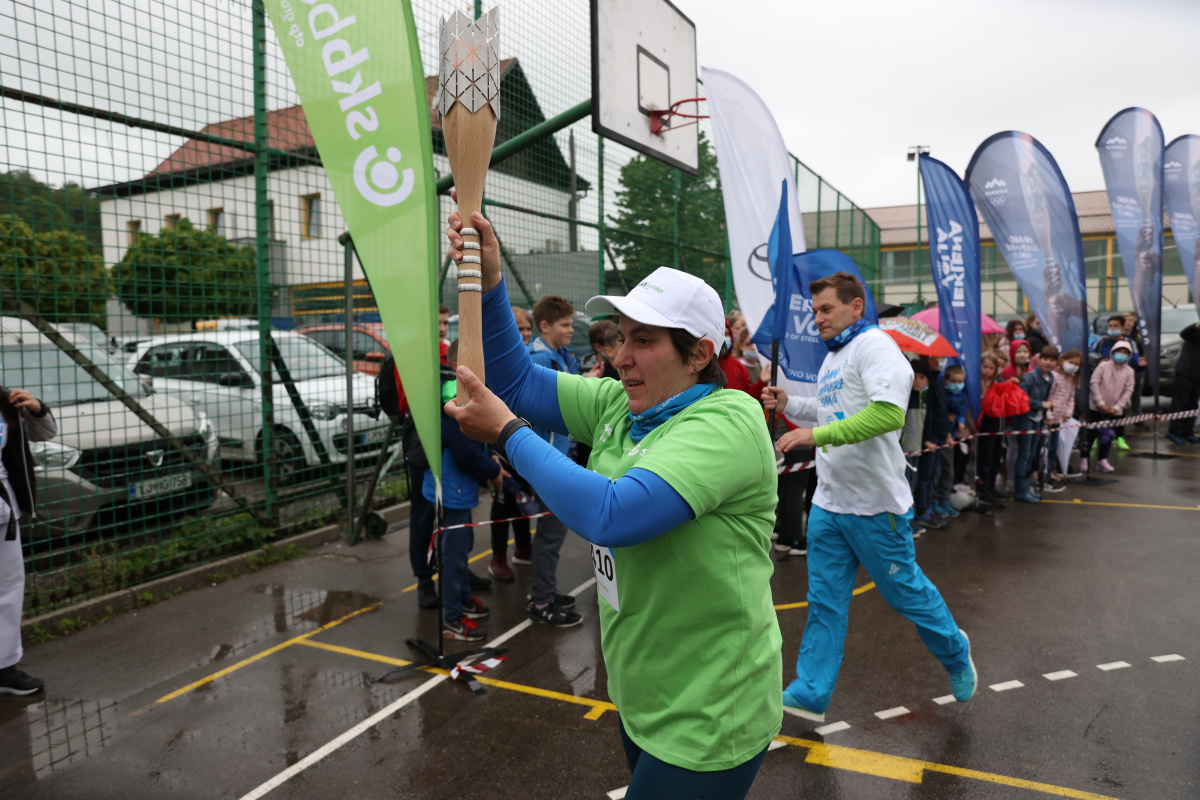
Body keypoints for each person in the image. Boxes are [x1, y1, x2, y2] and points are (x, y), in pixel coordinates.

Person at [445, 209, 781, 798]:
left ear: (698, 354)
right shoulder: (620, 405)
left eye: (643, 340)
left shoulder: (729, 420)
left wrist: (508, 434)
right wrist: (493, 279)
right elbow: (517, 384)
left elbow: (613, 513)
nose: (622, 355)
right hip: (643, 693)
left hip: (709, 708)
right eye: (623, 337)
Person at [762, 271, 976, 722]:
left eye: (826, 309)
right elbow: (832, 410)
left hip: (876, 507)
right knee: (824, 602)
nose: (818, 319)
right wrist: (789, 404)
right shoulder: (834, 356)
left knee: (906, 595)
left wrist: (815, 435)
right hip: (829, 504)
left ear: (856, 305)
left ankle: (956, 651)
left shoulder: (876, 347)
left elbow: (885, 415)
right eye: (815, 311)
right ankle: (811, 691)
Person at [423, 341, 504, 641]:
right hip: (452, 489)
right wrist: (493, 471)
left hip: (459, 488)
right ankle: (452, 619)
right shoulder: (454, 399)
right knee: (454, 556)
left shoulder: (463, 394)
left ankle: (464, 599)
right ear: (461, 368)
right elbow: (464, 449)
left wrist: (491, 457)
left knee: (464, 545)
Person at [525, 294, 585, 627]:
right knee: (550, 535)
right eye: (565, 324)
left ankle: (543, 591)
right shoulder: (539, 360)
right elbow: (549, 406)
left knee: (552, 533)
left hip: (557, 454)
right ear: (545, 326)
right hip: (547, 458)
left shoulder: (559, 356)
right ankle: (542, 601)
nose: (571, 329)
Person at [1, 387, 56, 696]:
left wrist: (37, 409)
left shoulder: (6, 401)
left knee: (8, 586)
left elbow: (46, 433)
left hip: (4, 508)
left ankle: (4, 668)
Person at [488, 307, 539, 582]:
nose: (525, 334)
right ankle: (497, 556)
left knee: (522, 495)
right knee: (503, 501)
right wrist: (491, 452)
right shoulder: (496, 362)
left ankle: (523, 547)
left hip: (524, 438)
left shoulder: (531, 361)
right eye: (519, 329)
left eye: (528, 329)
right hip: (500, 445)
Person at [900, 361, 942, 533]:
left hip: (917, 450)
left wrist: (926, 441)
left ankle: (910, 519)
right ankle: (904, 522)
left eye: (922, 377)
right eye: (914, 376)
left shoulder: (925, 398)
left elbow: (926, 425)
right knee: (904, 485)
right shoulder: (905, 398)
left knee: (913, 483)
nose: (917, 381)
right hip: (904, 451)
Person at [1083, 340, 1135, 473]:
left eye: (1125, 353)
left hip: (1113, 410)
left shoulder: (1129, 371)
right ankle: (1084, 458)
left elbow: (1128, 390)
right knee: (1091, 434)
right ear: (1113, 352)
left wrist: (1117, 407)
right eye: (1119, 351)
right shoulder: (1103, 366)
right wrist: (1099, 403)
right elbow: (1094, 383)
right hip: (1096, 408)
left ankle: (1102, 460)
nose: (1121, 355)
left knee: (1108, 434)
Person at [1015, 345, 1057, 502]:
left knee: (1032, 453)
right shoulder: (1029, 377)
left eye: (1052, 360)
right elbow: (1022, 398)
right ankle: (1020, 491)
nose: (1048, 363)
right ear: (1039, 360)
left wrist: (1047, 410)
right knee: (1024, 453)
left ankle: (1026, 488)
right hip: (1025, 419)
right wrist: (1041, 404)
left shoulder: (1050, 377)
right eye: (1045, 359)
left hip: (1037, 419)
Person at [975, 354, 1008, 506]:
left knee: (995, 457)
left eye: (991, 368)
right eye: (985, 367)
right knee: (985, 458)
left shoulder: (998, 382)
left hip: (999, 425)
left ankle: (991, 486)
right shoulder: (977, 383)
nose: (987, 370)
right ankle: (982, 490)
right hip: (986, 425)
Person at [1047, 349, 1083, 484]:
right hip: (1049, 420)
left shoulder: (1071, 379)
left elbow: (1070, 398)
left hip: (1060, 420)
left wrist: (1068, 413)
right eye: (1071, 362)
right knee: (1046, 448)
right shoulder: (1053, 376)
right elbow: (1047, 397)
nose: (1073, 366)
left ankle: (1051, 471)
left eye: (1076, 364)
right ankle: (1045, 473)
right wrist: (1049, 416)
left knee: (1053, 448)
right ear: (1062, 361)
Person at [1167, 320, 1200, 445]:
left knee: (1193, 404)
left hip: (1198, 375)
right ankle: (1174, 432)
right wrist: (1196, 326)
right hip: (1186, 372)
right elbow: (1184, 334)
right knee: (1180, 403)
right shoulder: (1195, 331)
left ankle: (1188, 432)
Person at [942, 364, 973, 490]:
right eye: (954, 381)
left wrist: (960, 421)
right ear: (946, 381)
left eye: (960, 382)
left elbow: (961, 411)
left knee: (951, 464)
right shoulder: (942, 394)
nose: (957, 385)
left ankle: (949, 490)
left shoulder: (960, 396)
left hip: (953, 434)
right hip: (943, 433)